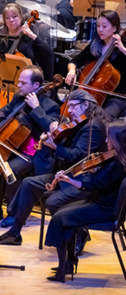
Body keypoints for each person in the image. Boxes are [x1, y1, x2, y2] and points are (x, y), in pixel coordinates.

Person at [0, 89, 108, 244]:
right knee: (28, 183)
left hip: (83, 179)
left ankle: (80, 233)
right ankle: (14, 233)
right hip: (66, 175)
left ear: (86, 104)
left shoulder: (94, 127)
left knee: (53, 202)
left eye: (73, 106)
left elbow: (78, 156)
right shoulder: (81, 123)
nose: (70, 110)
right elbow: (70, 150)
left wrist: (54, 146)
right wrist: (55, 136)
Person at [44, 121, 126, 282]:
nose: (106, 141)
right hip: (100, 203)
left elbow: (94, 185)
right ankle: (68, 264)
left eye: (109, 138)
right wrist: (95, 169)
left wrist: (70, 180)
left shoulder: (117, 164)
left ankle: (64, 268)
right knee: (63, 214)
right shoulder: (117, 159)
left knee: (60, 218)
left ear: (117, 140)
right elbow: (103, 181)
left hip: (104, 210)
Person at [0, 65, 60, 208]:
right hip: (12, 146)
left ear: (36, 85)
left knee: (11, 169)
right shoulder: (19, 97)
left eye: (23, 83)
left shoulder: (51, 106)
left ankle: (14, 211)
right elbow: (5, 111)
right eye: (19, 81)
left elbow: (51, 129)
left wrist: (36, 108)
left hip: (34, 152)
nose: (18, 85)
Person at [66, 10, 126, 120]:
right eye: (98, 26)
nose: (100, 30)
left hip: (117, 96)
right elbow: (75, 61)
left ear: (114, 28)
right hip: (93, 94)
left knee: (104, 117)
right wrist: (72, 70)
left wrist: (123, 49)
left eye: (104, 26)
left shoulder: (123, 45)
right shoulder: (95, 45)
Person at [0, 3, 55, 81]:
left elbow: (49, 53)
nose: (11, 20)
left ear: (21, 17)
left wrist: (32, 35)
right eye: (7, 18)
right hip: (5, 80)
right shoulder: (1, 39)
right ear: (5, 21)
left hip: (27, 82)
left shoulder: (29, 38)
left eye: (14, 16)